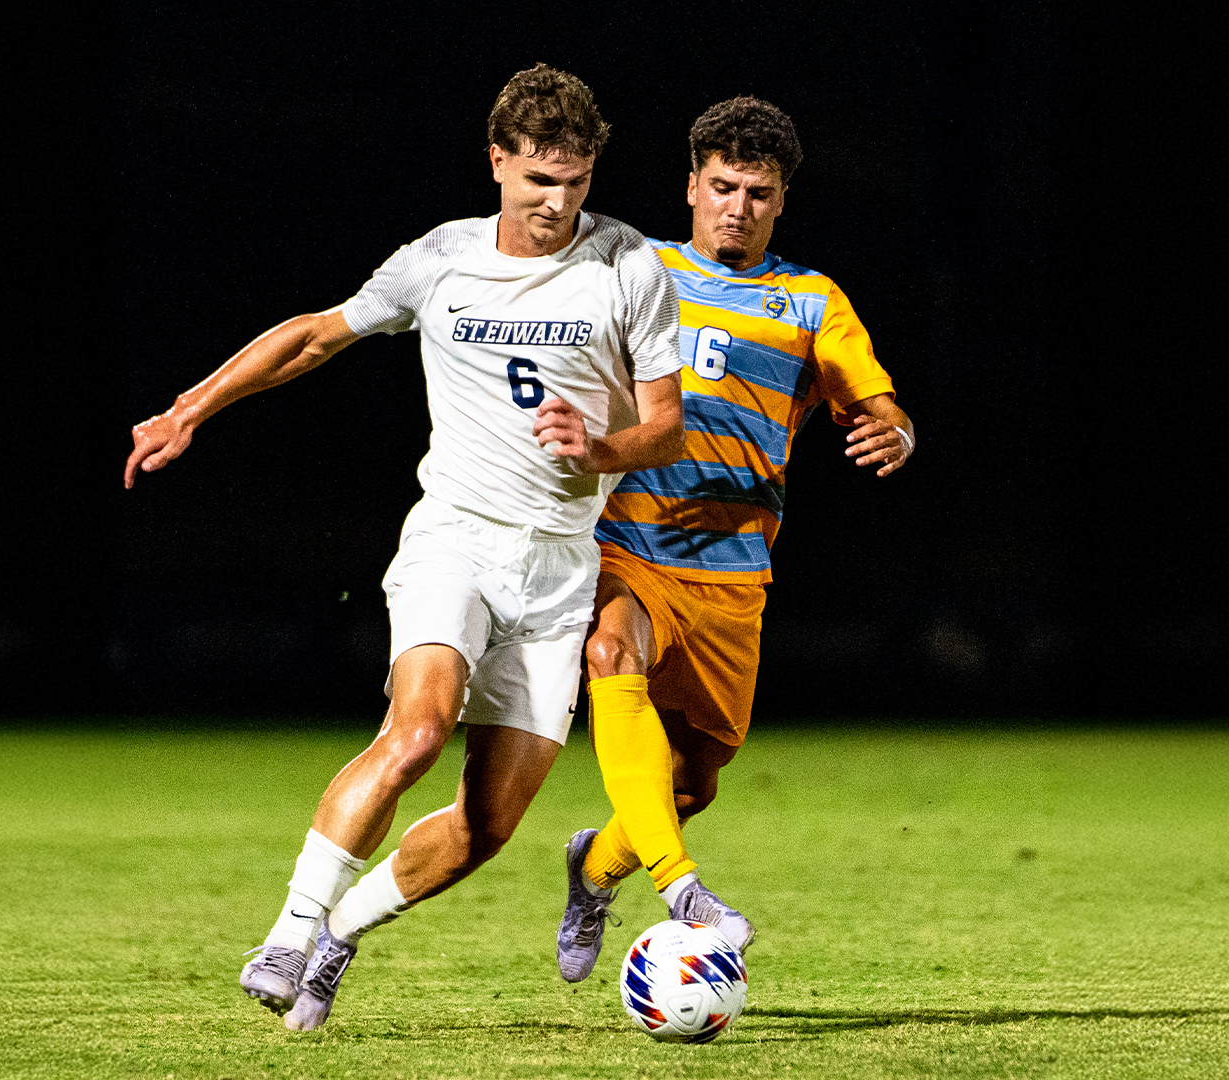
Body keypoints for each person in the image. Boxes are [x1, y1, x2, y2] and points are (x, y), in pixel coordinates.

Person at [125, 64, 686, 1031]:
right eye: (539, 180)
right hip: (455, 541)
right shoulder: (441, 259)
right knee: (418, 730)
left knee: (486, 828)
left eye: (576, 182)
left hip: (560, 571)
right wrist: (192, 408)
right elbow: (315, 336)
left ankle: (339, 935)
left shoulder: (628, 265)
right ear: (497, 160)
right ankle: (289, 933)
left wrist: (600, 449)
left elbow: (667, 429)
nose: (557, 204)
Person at [554, 97, 913, 982]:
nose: (737, 208)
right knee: (610, 651)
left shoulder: (810, 301)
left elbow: (880, 405)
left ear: (781, 200)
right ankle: (683, 891)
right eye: (722, 187)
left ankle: (594, 869)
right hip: (628, 543)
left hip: (733, 569)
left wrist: (898, 434)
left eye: (757, 193)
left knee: (690, 783)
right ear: (692, 186)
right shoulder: (634, 271)